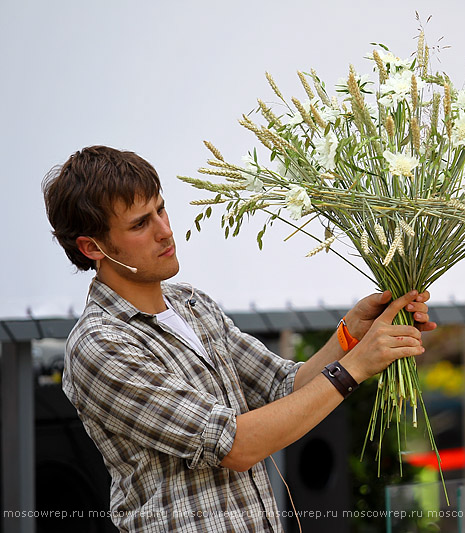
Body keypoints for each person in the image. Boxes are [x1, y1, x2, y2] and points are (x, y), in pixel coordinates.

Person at [42, 145, 436, 532]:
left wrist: (350, 336)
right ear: (92, 247)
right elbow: (235, 447)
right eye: (140, 224)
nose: (165, 231)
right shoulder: (100, 343)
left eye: (161, 209)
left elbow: (284, 388)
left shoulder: (192, 303)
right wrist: (354, 366)